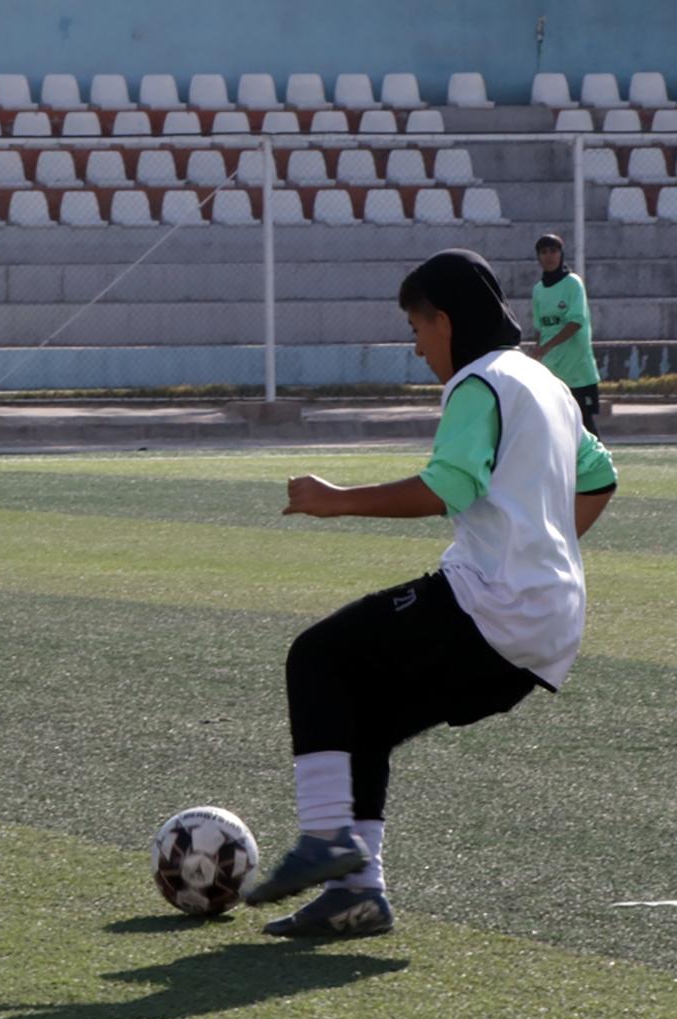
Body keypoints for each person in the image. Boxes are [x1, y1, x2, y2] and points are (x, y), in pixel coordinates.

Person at [242, 249, 617, 937]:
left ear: (444, 321)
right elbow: (599, 478)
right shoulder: (545, 382)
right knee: (364, 715)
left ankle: (324, 838)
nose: (417, 348)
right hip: (551, 625)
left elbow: (446, 487)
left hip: (492, 605)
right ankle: (357, 894)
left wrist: (335, 500)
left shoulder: (479, 382)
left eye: (416, 329)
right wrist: (544, 550)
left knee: (316, 656)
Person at [530, 233, 599, 434]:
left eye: (554, 251)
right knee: (555, 426)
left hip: (577, 371)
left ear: (561, 254)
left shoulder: (573, 283)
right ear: (538, 257)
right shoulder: (538, 290)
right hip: (552, 370)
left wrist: (547, 347)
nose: (549, 256)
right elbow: (540, 327)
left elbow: (575, 323)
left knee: (585, 428)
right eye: (544, 252)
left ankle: (598, 458)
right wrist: (537, 353)